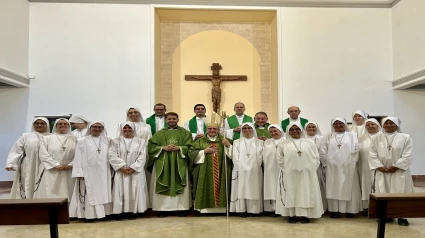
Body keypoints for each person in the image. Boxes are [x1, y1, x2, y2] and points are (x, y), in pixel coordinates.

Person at [369, 117, 413, 226]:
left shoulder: (406, 137)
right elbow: (372, 154)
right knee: (383, 193)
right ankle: (386, 215)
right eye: (386, 123)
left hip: (399, 171)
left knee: (401, 193)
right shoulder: (376, 138)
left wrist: (396, 166)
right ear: (382, 125)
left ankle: (402, 216)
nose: (389, 125)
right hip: (382, 171)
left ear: (397, 125)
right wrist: (379, 166)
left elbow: (407, 155)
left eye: (391, 123)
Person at [275, 123, 323, 223]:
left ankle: (304, 215)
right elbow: (279, 158)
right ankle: (291, 215)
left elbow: (316, 157)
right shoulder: (283, 143)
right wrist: (287, 169)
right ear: (288, 132)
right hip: (290, 173)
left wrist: (310, 168)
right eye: (292, 130)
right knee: (291, 193)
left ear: (301, 130)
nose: (295, 131)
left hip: (306, 174)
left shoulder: (309, 142)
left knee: (305, 193)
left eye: (297, 129)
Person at [147, 112, 193, 216]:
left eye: (173, 119)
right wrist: (162, 148)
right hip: (163, 161)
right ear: (166, 120)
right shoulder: (159, 133)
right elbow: (151, 147)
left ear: (178, 119)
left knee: (181, 184)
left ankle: (181, 208)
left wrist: (180, 148)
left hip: (179, 162)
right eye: (169, 119)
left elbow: (191, 147)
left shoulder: (185, 133)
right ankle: (162, 209)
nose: (171, 121)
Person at [69, 121, 112, 222]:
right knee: (89, 192)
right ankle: (88, 215)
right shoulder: (82, 141)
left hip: (103, 172)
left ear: (103, 129)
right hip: (88, 172)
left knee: (102, 192)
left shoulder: (108, 141)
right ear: (90, 128)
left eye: (99, 127)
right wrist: (79, 172)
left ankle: (102, 214)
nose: (97, 129)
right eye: (94, 127)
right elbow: (78, 157)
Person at [320, 118, 362, 218]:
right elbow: (323, 150)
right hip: (332, 168)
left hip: (348, 167)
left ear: (345, 124)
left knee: (349, 188)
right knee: (333, 187)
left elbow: (356, 149)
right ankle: (335, 210)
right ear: (332, 125)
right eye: (335, 123)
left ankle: (350, 210)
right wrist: (327, 163)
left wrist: (352, 162)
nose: (338, 125)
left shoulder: (352, 135)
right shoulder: (328, 136)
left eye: (340, 123)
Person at [188, 122, 232, 213]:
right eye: (210, 129)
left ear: (218, 130)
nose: (212, 130)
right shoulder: (200, 141)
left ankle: (222, 209)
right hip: (204, 170)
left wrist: (228, 145)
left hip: (222, 170)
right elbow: (191, 153)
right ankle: (204, 210)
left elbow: (235, 154)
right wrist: (204, 151)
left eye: (214, 129)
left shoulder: (225, 140)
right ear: (206, 130)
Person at [109, 122, 148, 220]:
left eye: (129, 128)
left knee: (134, 190)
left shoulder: (141, 141)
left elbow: (142, 156)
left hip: (135, 171)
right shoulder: (115, 141)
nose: (127, 129)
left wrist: (133, 167)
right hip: (120, 171)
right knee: (119, 191)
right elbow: (111, 155)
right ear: (121, 129)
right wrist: (121, 167)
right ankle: (119, 212)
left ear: (133, 129)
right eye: (125, 128)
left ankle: (132, 211)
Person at [5, 117, 50, 199]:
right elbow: (16, 150)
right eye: (37, 123)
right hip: (29, 163)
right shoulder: (26, 136)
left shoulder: (51, 137)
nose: (39, 125)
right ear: (33, 125)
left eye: (42, 123)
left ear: (47, 125)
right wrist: (10, 163)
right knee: (28, 181)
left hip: (45, 164)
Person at [34, 118, 77, 200]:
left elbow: (79, 155)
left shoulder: (74, 139)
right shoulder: (47, 138)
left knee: (69, 192)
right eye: (60, 124)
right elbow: (43, 154)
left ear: (68, 126)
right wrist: (55, 165)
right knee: (50, 192)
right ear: (56, 126)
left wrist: (71, 164)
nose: (63, 126)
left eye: (65, 124)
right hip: (52, 170)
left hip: (69, 170)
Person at [230, 122, 263, 217]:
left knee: (254, 188)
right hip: (240, 170)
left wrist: (254, 167)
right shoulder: (237, 142)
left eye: (249, 128)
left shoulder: (259, 142)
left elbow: (260, 156)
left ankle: (254, 210)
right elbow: (235, 156)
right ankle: (242, 210)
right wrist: (240, 167)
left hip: (255, 170)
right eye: (244, 128)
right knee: (241, 188)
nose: (247, 130)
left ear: (253, 129)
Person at [358, 118, 382, 213]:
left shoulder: (382, 137)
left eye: (373, 124)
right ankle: (367, 207)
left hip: (379, 167)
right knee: (365, 185)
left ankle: (378, 207)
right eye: (368, 125)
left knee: (378, 186)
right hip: (364, 166)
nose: (370, 126)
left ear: (377, 126)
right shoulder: (361, 138)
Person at [304, 122, 327, 212]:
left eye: (313, 127)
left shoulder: (321, 139)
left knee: (319, 186)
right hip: (305, 167)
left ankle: (322, 208)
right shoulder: (302, 139)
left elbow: (323, 152)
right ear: (305, 129)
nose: (311, 128)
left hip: (318, 167)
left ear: (317, 128)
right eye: (309, 127)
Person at [262, 124, 285, 214]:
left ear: (280, 131)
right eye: (271, 132)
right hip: (270, 168)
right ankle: (273, 208)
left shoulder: (286, 141)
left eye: (275, 131)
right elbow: (263, 155)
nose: (273, 133)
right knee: (271, 187)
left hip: (282, 168)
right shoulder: (267, 142)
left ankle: (282, 208)